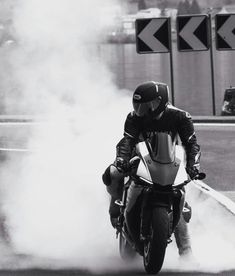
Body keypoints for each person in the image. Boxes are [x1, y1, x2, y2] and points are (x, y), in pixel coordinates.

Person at [102, 81, 201, 258]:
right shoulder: (134, 118)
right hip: (139, 159)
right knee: (112, 173)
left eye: (147, 105)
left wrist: (193, 165)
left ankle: (186, 253)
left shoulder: (180, 117)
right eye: (139, 106)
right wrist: (121, 159)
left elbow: (192, 144)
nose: (143, 110)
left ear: (159, 102)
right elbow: (127, 140)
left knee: (179, 199)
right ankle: (116, 201)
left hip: (170, 162)